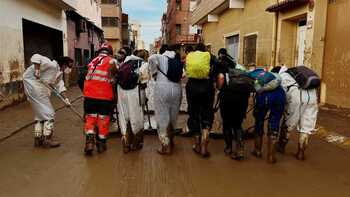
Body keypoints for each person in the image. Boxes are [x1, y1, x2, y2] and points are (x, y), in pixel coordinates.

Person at [23, 54, 73, 148]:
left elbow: (60, 86)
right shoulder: (51, 65)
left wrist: (66, 99)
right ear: (63, 64)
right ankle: (47, 140)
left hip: (38, 90)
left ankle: (38, 139)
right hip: (34, 86)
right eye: (69, 66)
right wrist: (37, 71)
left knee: (40, 115)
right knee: (49, 114)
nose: (69, 68)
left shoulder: (59, 73)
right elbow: (36, 57)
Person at [274, 66, 319, 160]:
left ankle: (281, 146)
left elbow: (282, 95)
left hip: (297, 99)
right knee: (306, 127)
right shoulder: (298, 74)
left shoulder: (283, 76)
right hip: (312, 99)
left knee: (288, 123)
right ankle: (301, 152)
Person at [215, 48, 253, 160]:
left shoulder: (222, 70)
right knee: (237, 124)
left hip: (227, 99)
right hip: (242, 99)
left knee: (226, 124)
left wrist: (218, 87)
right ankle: (240, 149)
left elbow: (220, 83)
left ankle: (228, 148)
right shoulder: (240, 67)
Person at [83, 43, 118, 155]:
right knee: (103, 119)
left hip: (89, 96)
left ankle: (89, 142)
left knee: (90, 118)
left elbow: (82, 78)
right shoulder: (112, 61)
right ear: (110, 52)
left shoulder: (92, 61)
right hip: (104, 96)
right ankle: (101, 144)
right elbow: (116, 77)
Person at [148, 45, 183, 154]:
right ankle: (171, 141)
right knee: (173, 117)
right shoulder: (176, 59)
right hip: (177, 89)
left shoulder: (160, 57)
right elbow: (183, 75)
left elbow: (150, 58)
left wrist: (154, 72)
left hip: (162, 89)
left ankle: (165, 146)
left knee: (162, 117)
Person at [248, 67, 286, 163]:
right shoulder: (279, 84)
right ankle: (271, 156)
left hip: (263, 97)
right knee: (274, 123)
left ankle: (257, 151)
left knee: (259, 121)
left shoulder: (258, 79)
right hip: (280, 96)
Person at [185, 43, 215, 157]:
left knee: (194, 114)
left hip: (192, 86)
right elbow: (216, 70)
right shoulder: (210, 56)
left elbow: (186, 70)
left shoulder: (189, 56)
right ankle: (204, 146)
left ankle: (197, 144)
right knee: (207, 114)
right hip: (207, 86)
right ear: (204, 50)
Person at [117, 50, 149, 153]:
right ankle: (135, 144)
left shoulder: (124, 64)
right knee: (137, 118)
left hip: (121, 93)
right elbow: (144, 82)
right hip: (135, 93)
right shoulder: (143, 64)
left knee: (125, 118)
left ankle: (126, 144)